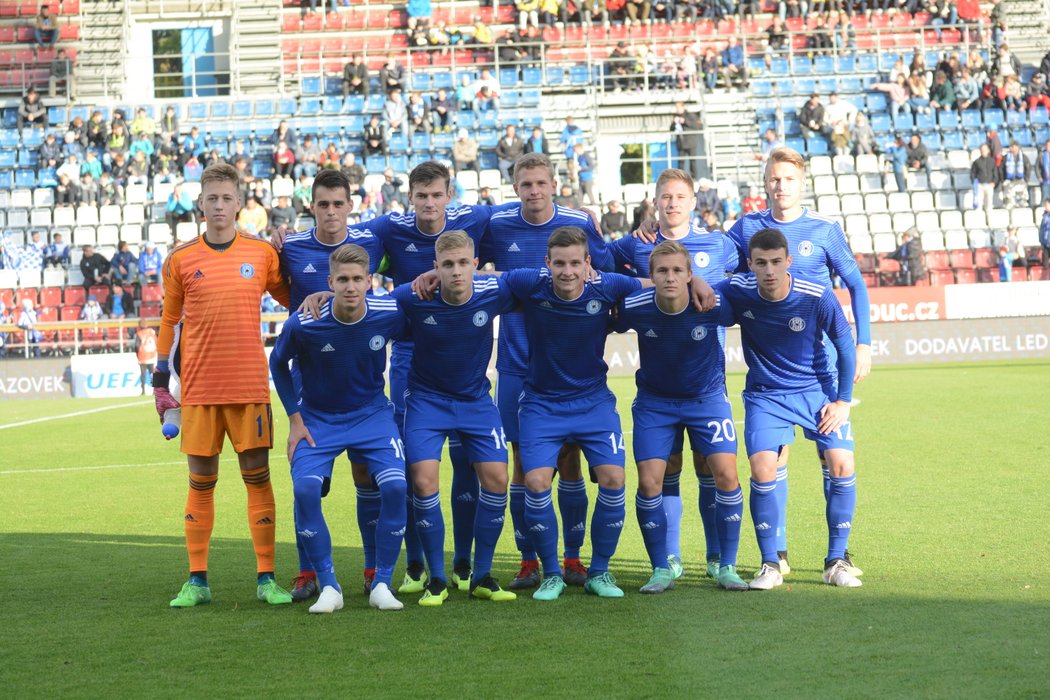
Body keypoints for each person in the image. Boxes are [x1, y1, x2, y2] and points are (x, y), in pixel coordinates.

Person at [723, 147, 870, 575]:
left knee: (834, 458)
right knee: (773, 459)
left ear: (800, 182)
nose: (780, 185)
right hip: (769, 371)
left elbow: (856, 285)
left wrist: (864, 345)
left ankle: (837, 556)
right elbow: (716, 267)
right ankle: (777, 554)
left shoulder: (824, 230)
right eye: (773, 178)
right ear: (764, 181)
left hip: (820, 366)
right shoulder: (746, 227)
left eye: (787, 178)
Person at [153, 162, 293, 608]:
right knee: (201, 482)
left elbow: (293, 298)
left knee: (258, 479)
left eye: (226, 198)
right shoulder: (180, 258)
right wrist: (160, 381)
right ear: (201, 203)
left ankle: (266, 579)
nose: (218, 205)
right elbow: (169, 321)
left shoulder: (261, 253)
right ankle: (197, 581)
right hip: (198, 391)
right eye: (211, 198)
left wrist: (291, 258)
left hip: (249, 387)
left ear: (239, 203)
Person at [269, 244, 409, 613]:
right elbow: (278, 364)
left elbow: (423, 311)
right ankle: (329, 585)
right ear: (330, 282)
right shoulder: (305, 322)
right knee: (304, 490)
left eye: (357, 279)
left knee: (396, 485)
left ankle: (381, 582)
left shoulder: (389, 312)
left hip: (372, 415)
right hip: (318, 419)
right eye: (342, 280)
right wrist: (294, 419)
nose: (350, 286)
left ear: (370, 281)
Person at [619, 169, 739, 576]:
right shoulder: (637, 245)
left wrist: (703, 281)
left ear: (693, 202)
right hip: (660, 384)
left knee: (711, 468)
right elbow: (598, 268)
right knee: (665, 468)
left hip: (707, 381)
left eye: (679, 197)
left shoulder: (720, 243)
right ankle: (668, 559)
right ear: (655, 203)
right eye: (664, 197)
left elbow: (744, 283)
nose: (671, 204)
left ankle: (715, 558)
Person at [389, 231, 519, 605]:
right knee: (423, 480)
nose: (457, 271)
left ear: (475, 265)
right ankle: (437, 578)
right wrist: (322, 297)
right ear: (435, 268)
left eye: (463, 263)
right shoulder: (413, 296)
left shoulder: (494, 292)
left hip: (476, 401)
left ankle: (482, 575)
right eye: (448, 265)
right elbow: (366, 305)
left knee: (497, 477)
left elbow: (541, 279)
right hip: (427, 402)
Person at [276, 169, 386, 601]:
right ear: (312, 206)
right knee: (309, 481)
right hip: (310, 382)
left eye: (338, 203)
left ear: (350, 205)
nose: (331, 212)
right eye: (323, 204)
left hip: (359, 378)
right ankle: (308, 570)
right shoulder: (291, 247)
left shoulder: (372, 241)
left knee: (367, 475)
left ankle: (373, 566)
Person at [670, 102, 703, 181]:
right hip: (681, 143)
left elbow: (696, 126)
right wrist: (674, 122)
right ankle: (679, 178)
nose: (677, 109)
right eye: (676, 108)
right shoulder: (675, 116)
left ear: (683, 107)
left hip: (690, 142)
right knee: (681, 162)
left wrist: (684, 121)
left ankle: (693, 178)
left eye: (678, 108)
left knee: (692, 161)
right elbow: (671, 129)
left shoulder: (690, 115)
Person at [999, 141, 1030, 210]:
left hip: (1020, 181)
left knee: (1022, 200)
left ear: (1018, 147)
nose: (1012, 148)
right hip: (1009, 181)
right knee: (1009, 201)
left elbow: (1028, 169)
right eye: (1011, 147)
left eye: (1013, 147)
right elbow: (1001, 169)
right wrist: (1003, 180)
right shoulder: (1005, 158)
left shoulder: (1024, 157)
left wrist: (1026, 180)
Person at [971, 143, 999, 212]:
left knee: (989, 204)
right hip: (980, 185)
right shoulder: (976, 162)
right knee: (979, 205)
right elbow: (973, 173)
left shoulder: (992, 161)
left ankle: (989, 220)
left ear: (988, 150)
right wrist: (975, 183)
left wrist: (994, 183)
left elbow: (995, 173)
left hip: (989, 185)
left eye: (985, 150)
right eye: (982, 150)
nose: (983, 151)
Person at [134, 319, 158, 395]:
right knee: (152, 374)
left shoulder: (140, 333)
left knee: (143, 374)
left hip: (143, 355)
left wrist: (137, 355)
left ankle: (143, 390)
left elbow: (137, 345)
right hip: (152, 354)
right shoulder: (152, 331)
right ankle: (154, 390)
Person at [1039, 198, 1050, 267]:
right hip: (1046, 243)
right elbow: (1042, 230)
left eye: (1047, 204)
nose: (1045, 206)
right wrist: (1041, 241)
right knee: (1045, 263)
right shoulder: (1045, 216)